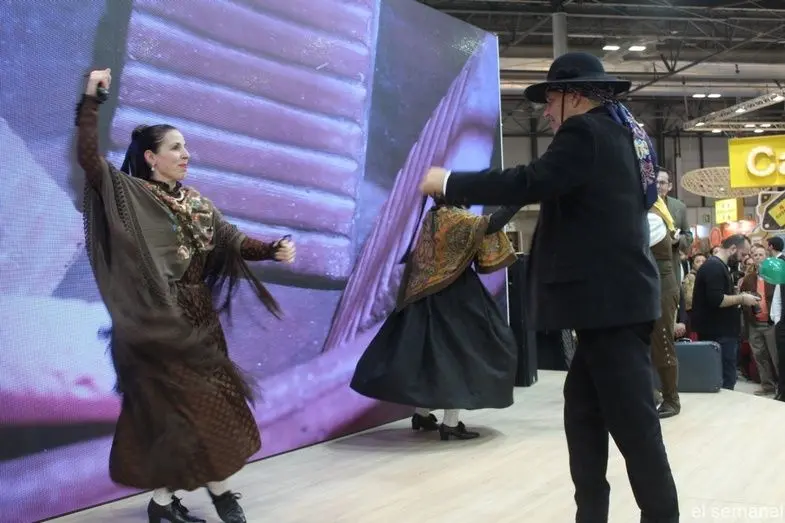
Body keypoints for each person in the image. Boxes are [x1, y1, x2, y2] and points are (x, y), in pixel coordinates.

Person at [419, 52, 679, 523]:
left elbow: (531, 180)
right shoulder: (622, 133)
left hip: (610, 308)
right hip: (610, 307)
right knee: (583, 419)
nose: (546, 113)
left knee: (635, 430)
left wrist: (451, 181)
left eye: (551, 100)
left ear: (573, 96)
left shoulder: (587, 132)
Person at [76, 69, 296, 523]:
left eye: (186, 147)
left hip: (200, 318)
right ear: (151, 157)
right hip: (161, 318)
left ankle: (163, 504)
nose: (186, 154)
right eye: (176, 147)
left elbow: (231, 240)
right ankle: (222, 497)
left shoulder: (195, 201)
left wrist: (271, 248)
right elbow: (90, 161)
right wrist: (91, 101)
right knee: (194, 408)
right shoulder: (130, 194)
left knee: (187, 411)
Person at [350, 199, 520, 440]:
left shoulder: (434, 215)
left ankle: (421, 414)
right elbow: (491, 224)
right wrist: (519, 198)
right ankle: (450, 423)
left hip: (426, 297)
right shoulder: (455, 217)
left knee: (431, 357)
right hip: (454, 299)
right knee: (461, 356)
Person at [691, 234, 756, 391]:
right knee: (724, 379)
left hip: (722, 330)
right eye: (743, 254)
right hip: (719, 333)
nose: (743, 259)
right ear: (733, 249)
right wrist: (742, 298)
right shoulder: (714, 267)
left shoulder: (719, 266)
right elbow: (717, 300)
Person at [648, 198, 681, 418]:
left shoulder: (651, 217)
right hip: (646, 288)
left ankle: (672, 399)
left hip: (660, 288)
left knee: (662, 345)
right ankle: (652, 394)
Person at [656, 167, 693, 284]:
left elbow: (689, 237)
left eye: (662, 183)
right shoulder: (642, 204)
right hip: (648, 263)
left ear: (670, 186)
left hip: (671, 264)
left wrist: (677, 241)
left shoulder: (679, 207)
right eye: (654, 182)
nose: (657, 186)